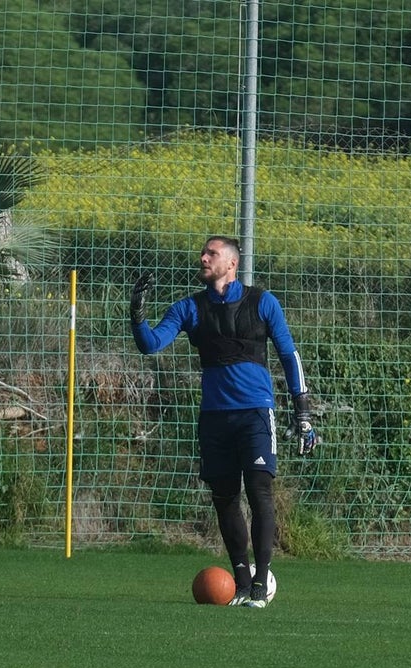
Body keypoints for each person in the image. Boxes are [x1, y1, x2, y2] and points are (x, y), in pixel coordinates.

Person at [130, 236, 317, 608]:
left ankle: (261, 585)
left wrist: (303, 412)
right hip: (214, 417)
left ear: (231, 263)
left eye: (211, 253)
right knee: (224, 499)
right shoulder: (190, 308)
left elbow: (289, 354)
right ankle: (242, 581)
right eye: (203, 252)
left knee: (260, 493)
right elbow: (150, 344)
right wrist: (136, 313)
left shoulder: (263, 302)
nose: (202, 257)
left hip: (255, 413)